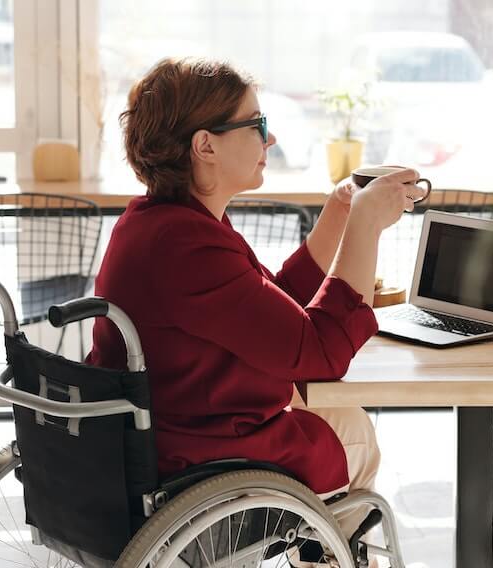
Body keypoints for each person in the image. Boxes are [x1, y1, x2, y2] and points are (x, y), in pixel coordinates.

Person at [86, 57, 426, 543]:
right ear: (204, 145)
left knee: (347, 422)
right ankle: (330, 551)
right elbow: (321, 353)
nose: (270, 140)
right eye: (256, 125)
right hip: (199, 455)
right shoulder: (187, 245)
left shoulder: (160, 223)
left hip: (167, 430)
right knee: (357, 437)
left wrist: (337, 216)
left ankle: (326, 549)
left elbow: (270, 310)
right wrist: (366, 228)